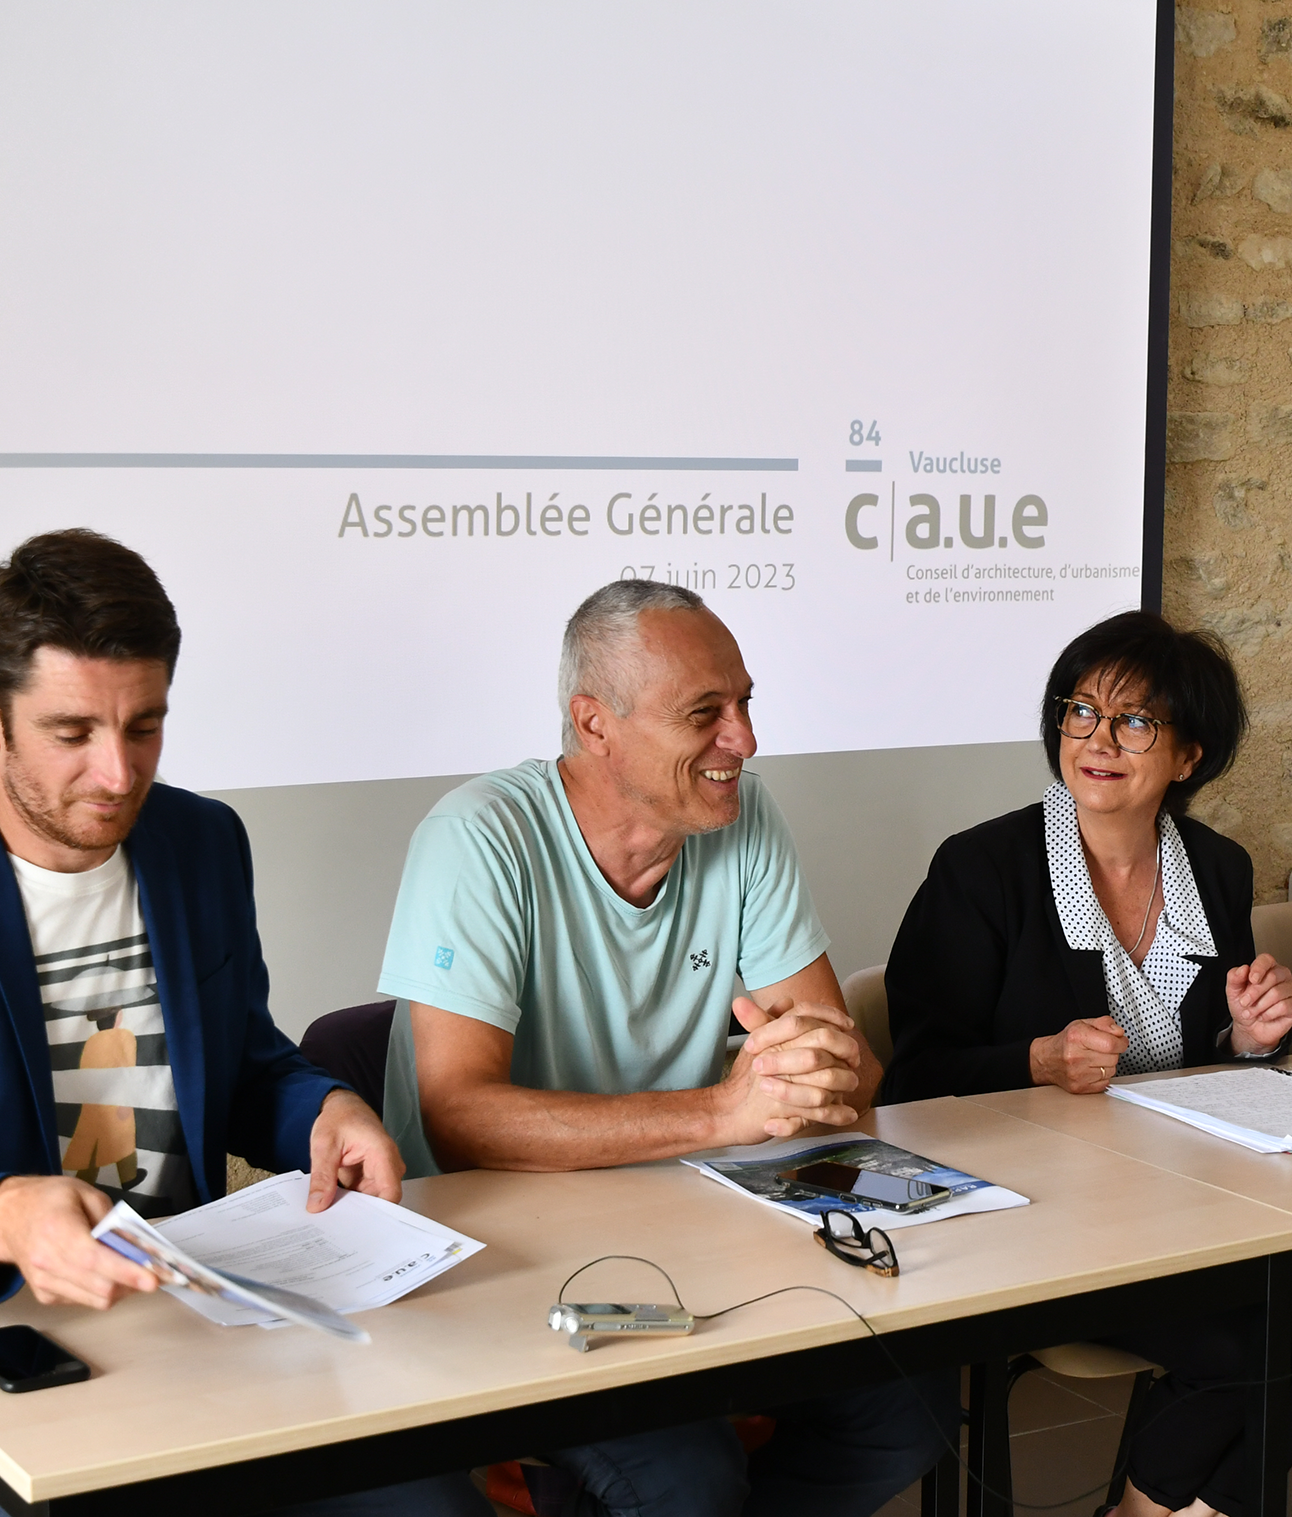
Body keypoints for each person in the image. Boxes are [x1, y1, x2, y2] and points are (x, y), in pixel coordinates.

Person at [0, 530, 423, 1517]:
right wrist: (0, 1213)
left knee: (430, 1503)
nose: (117, 771)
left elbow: (247, 1066)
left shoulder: (199, 843)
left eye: (145, 726)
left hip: (201, 1323)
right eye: (73, 731)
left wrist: (324, 1109)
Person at [380, 578, 953, 1517]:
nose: (745, 740)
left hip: (699, 1240)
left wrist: (817, 1071)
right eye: (706, 713)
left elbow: (845, 1075)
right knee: (684, 1480)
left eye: (745, 704)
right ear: (595, 724)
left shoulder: (744, 817)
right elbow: (456, 1116)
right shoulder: (478, 837)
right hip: (511, 1268)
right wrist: (727, 1109)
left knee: (912, 1402)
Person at [880, 610, 1292, 1517]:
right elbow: (907, 1086)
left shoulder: (1219, 870)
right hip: (1042, 1218)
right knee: (1263, 1340)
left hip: (1188, 1201)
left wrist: (1253, 1039)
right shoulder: (982, 869)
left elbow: (1217, 1068)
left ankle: (1149, 1508)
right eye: (1080, 711)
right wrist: (1034, 1060)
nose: (1098, 739)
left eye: (1134, 721)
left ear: (1187, 756)